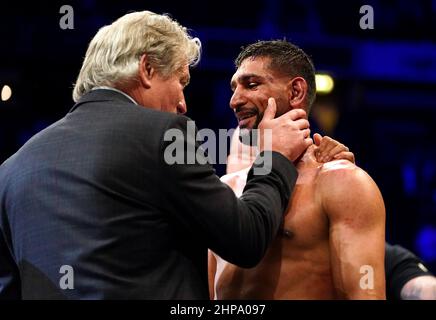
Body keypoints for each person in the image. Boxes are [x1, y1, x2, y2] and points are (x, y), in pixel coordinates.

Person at [0, 12, 318, 299]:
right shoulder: (163, 134)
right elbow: (246, 239)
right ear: (147, 69)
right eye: (181, 82)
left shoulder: (12, 169)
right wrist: (273, 157)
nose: (183, 104)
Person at [209, 40, 386, 299]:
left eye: (251, 84)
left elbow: (365, 295)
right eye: (234, 88)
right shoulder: (225, 188)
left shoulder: (343, 183)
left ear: (295, 92)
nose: (234, 101)